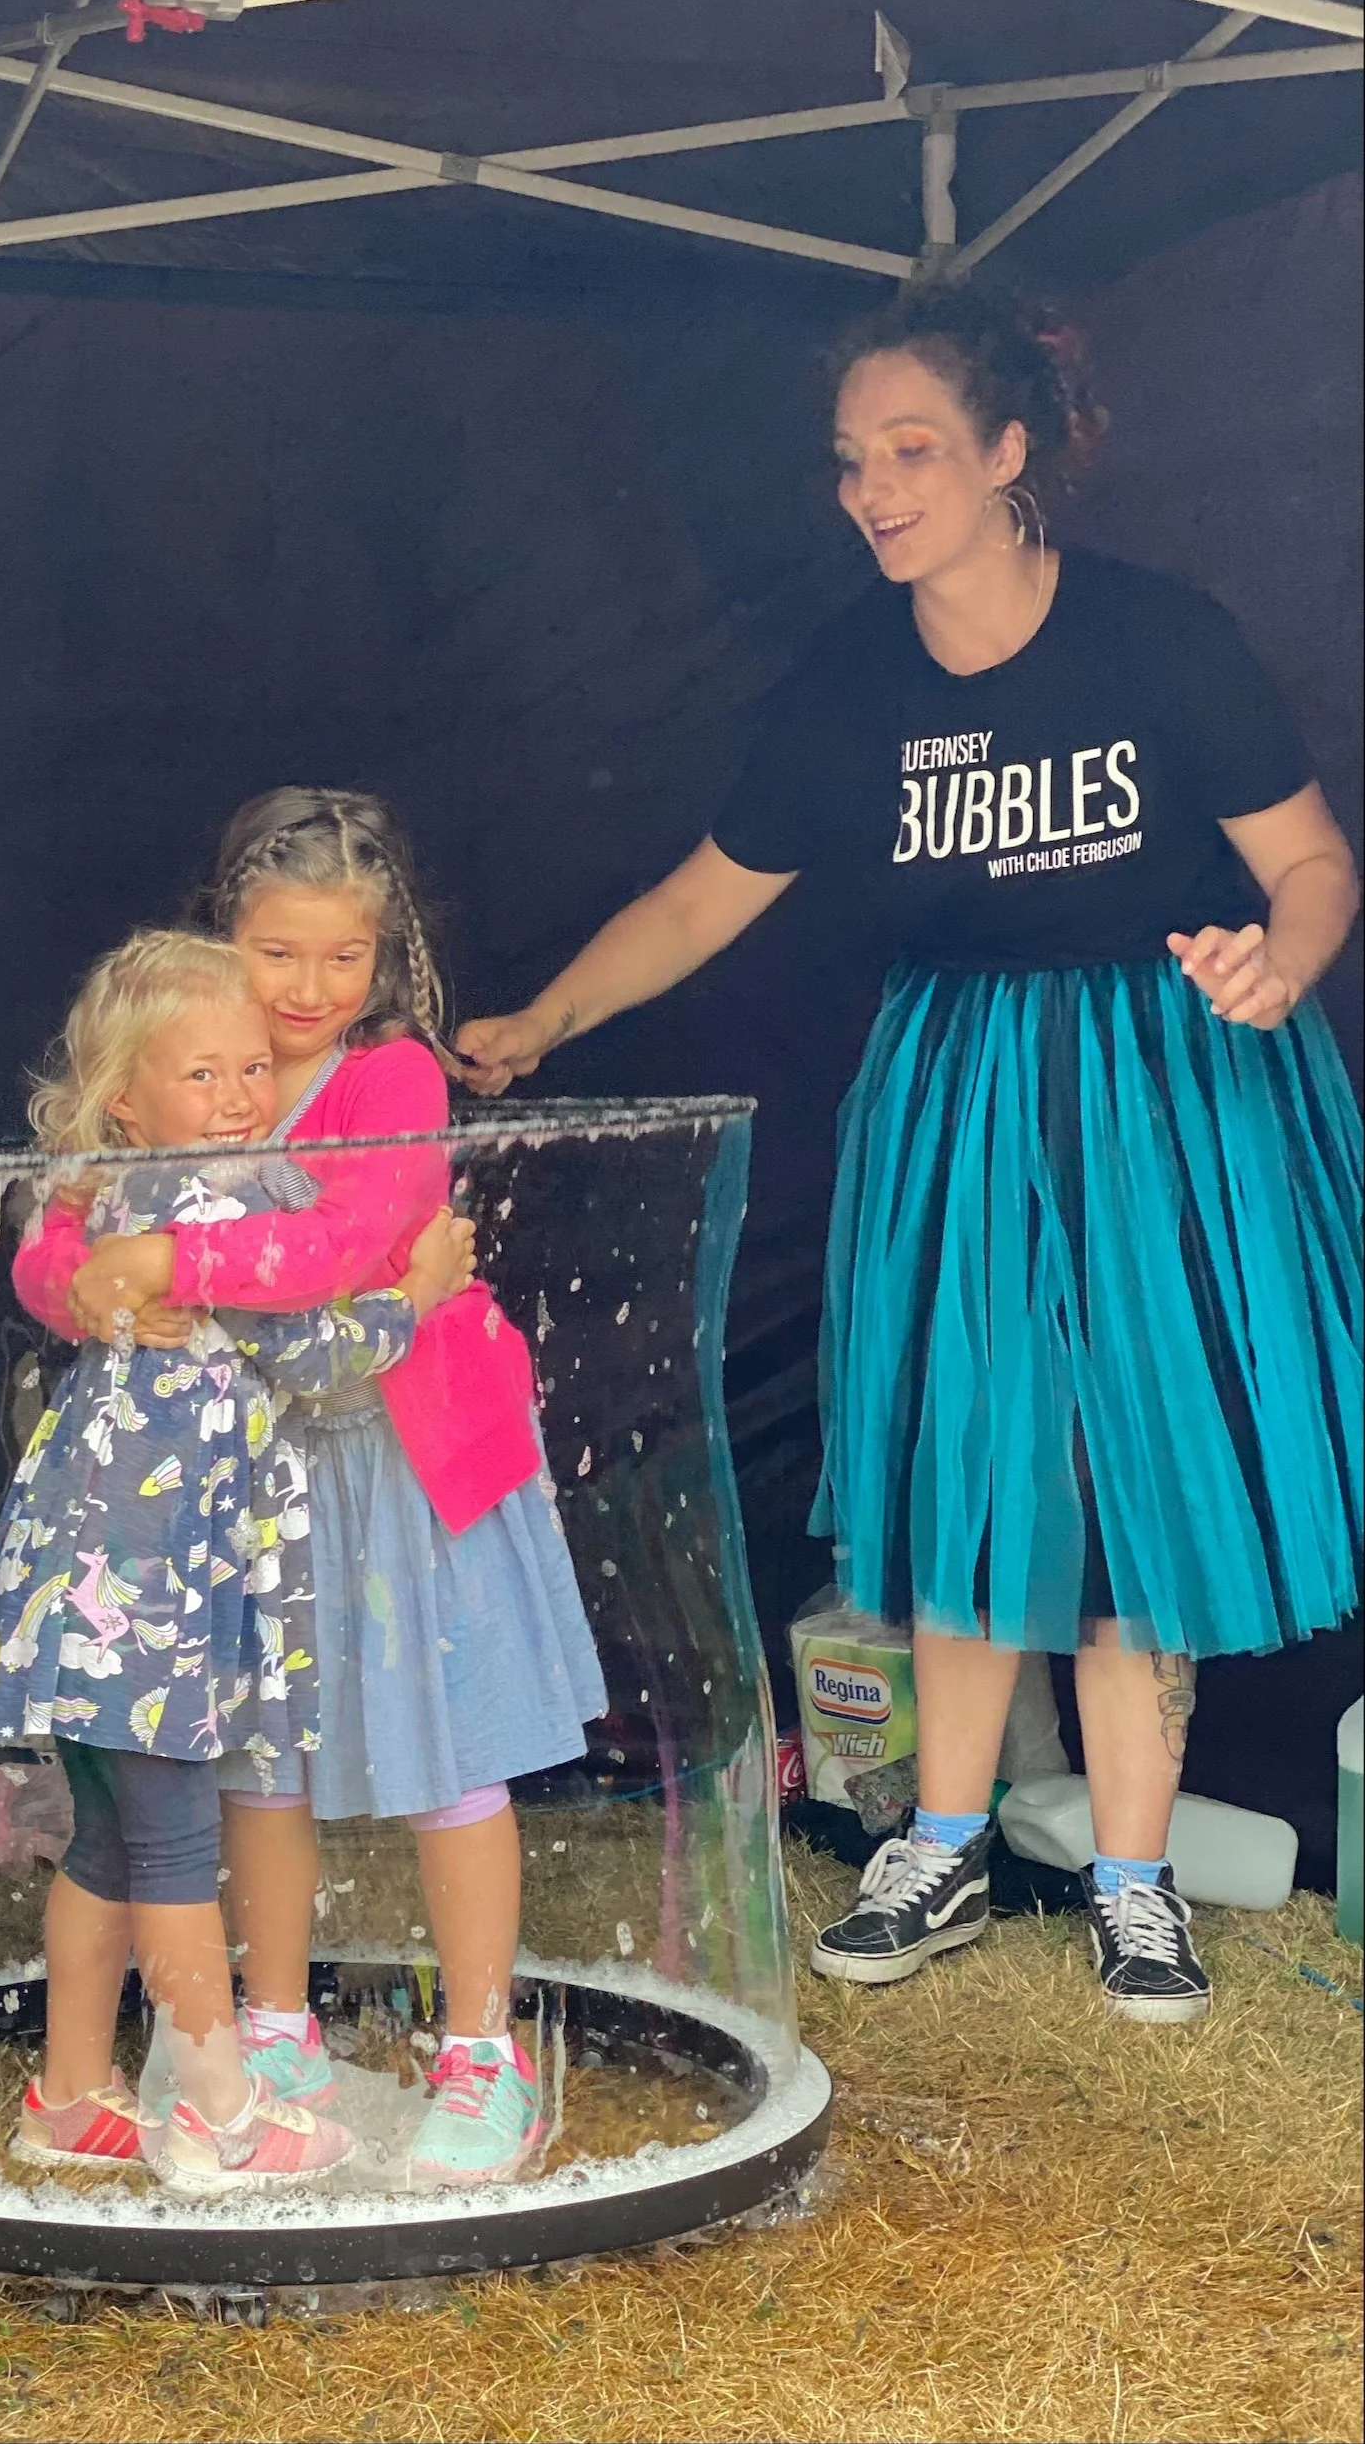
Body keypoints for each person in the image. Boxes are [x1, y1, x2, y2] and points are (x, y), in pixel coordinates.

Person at [457, 287, 1361, 2026]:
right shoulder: (849, 682)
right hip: (958, 1087)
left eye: (913, 449)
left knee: (1129, 1482)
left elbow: (1312, 860)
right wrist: (540, 1022)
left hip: (1166, 1083)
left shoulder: (1159, 640)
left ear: (1011, 453)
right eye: (853, 460)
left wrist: (1285, 956)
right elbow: (704, 895)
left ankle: (1132, 1874)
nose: (873, 488)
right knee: (971, 1466)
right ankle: (940, 1840)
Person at [13, 791, 607, 2180]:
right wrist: (91, 1292)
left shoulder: (390, 1075)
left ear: (385, 955)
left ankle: (479, 2048)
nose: (309, 989)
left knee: (450, 1753)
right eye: (281, 953)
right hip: (246, 1481)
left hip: (403, 1463)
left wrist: (173, 1266)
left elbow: (356, 1237)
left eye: (345, 958)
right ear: (230, 932)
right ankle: (272, 2031)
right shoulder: (185, 1055)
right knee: (257, 1762)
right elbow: (60, 1228)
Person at [0, 927, 476, 2187]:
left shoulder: (114, 1196)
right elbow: (299, 1355)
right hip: (157, 1592)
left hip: (77, 1576)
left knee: (108, 1845)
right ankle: (220, 2115)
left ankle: (71, 2093)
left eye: (252, 1069)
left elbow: (62, 1272)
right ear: (121, 1098)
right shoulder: (222, 1197)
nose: (241, 1096)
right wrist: (412, 1296)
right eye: (203, 1076)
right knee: (180, 1853)